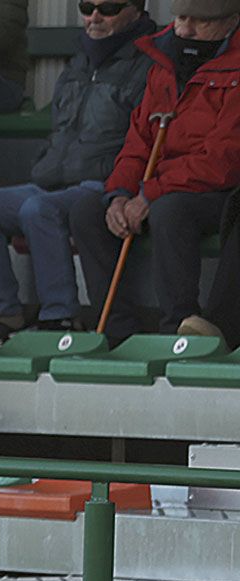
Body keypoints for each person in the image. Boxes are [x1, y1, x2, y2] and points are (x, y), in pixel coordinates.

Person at [0, 0, 154, 341]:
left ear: (136, 10)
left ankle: (60, 316)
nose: (94, 16)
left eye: (108, 8)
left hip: (101, 183)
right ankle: (5, 313)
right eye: (87, 6)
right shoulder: (77, 62)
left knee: (39, 209)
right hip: (51, 180)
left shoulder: (147, 64)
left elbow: (143, 141)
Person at [71, 1, 240, 338]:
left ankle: (178, 326)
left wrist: (151, 192)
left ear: (232, 21)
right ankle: (116, 333)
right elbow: (138, 144)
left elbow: (225, 159)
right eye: (181, 19)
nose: (186, 30)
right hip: (163, 185)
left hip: (217, 192)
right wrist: (119, 194)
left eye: (200, 21)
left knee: (170, 209)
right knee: (88, 209)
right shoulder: (162, 62)